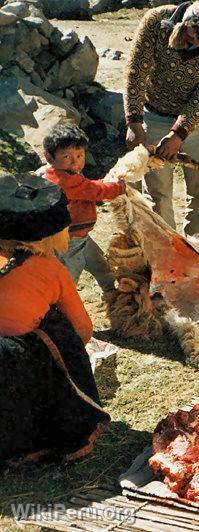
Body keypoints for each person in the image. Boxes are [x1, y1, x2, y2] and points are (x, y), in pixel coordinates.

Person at [0, 173, 110, 465]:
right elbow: (83, 329)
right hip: (8, 364)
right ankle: (38, 440)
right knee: (60, 333)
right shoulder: (51, 269)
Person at [124, 0, 199, 236]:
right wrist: (134, 122)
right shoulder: (156, 21)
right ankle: (167, 250)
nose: (194, 45)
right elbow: (136, 70)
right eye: (192, 36)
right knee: (157, 192)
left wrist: (178, 134)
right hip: (154, 114)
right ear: (186, 20)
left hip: (197, 121)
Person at [42, 123, 126, 294]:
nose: (75, 162)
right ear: (49, 157)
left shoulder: (60, 173)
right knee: (69, 275)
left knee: (101, 265)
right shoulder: (64, 180)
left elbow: (87, 186)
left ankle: (111, 293)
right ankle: (60, 307)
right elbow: (95, 191)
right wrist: (119, 187)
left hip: (80, 236)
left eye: (80, 155)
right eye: (67, 156)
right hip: (69, 241)